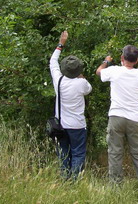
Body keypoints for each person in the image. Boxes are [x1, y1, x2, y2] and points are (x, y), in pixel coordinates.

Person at [96, 45, 138, 193]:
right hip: (134, 118)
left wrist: (106, 61)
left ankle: (116, 189)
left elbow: (99, 72)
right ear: (137, 60)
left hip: (116, 116)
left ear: (122, 58)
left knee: (115, 153)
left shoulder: (114, 70)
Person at [49, 31, 92, 180]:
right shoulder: (82, 83)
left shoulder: (58, 81)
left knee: (63, 153)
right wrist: (81, 77)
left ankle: (64, 179)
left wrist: (61, 43)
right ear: (78, 70)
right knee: (78, 153)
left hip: (61, 125)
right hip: (78, 125)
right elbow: (89, 90)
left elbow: (52, 62)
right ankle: (75, 181)